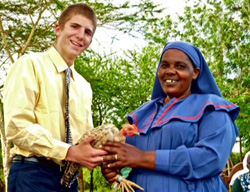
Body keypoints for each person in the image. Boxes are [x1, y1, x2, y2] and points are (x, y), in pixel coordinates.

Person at [100, 41, 240, 192]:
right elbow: (127, 159)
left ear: (196, 73)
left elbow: (210, 159)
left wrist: (142, 157)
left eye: (180, 66)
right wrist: (115, 170)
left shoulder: (213, 109)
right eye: (165, 65)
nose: (170, 71)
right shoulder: (142, 113)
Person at [3, 3, 107, 192]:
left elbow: (85, 139)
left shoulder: (84, 86)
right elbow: (17, 126)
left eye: (87, 32)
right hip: (32, 172)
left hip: (69, 179)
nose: (80, 36)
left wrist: (107, 155)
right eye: (74, 27)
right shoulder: (30, 64)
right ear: (58, 29)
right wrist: (68, 151)